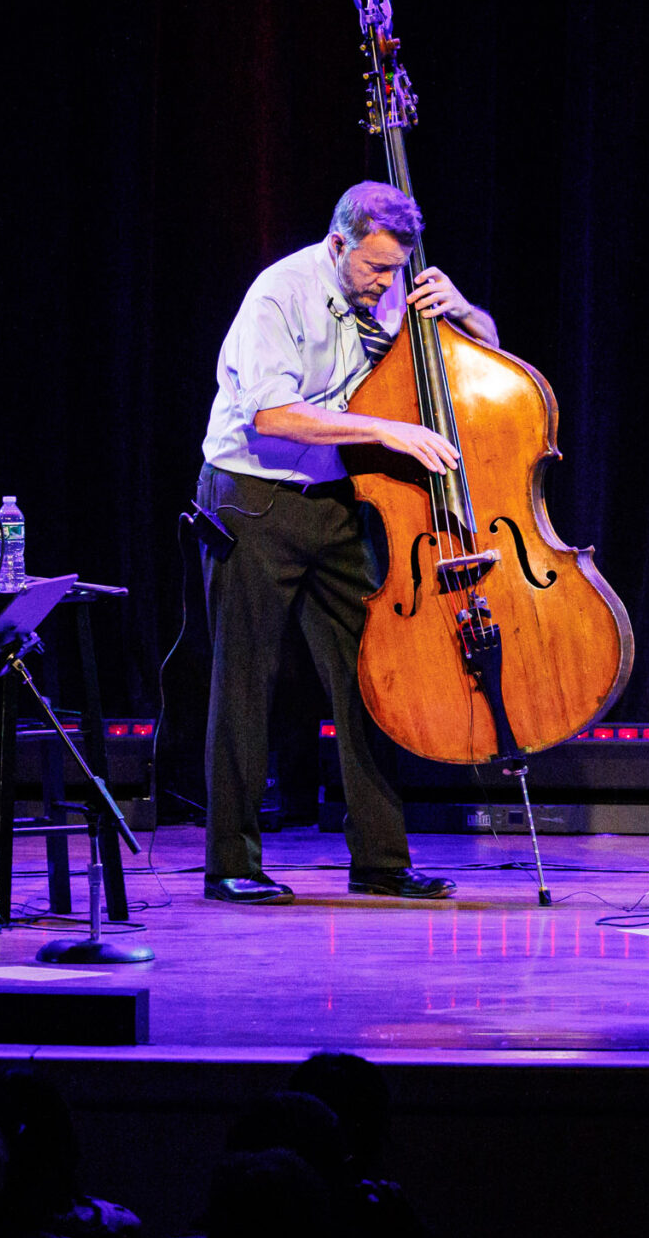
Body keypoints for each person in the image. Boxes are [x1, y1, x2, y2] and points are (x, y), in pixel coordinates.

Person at [196, 182, 496, 903]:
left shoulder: (394, 290)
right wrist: (387, 430)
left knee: (372, 673)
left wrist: (462, 311)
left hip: (333, 499)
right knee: (246, 681)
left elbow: (484, 354)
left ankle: (382, 860)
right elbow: (273, 415)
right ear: (339, 246)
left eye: (396, 270)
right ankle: (230, 864)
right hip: (253, 495)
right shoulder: (279, 295)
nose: (387, 284)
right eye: (374, 269)